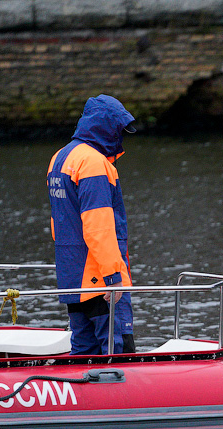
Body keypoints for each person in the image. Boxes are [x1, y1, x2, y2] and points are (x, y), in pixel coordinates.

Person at [47, 94, 137, 355]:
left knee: (83, 351)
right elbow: (99, 226)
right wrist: (113, 277)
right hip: (100, 280)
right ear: (108, 127)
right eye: (119, 129)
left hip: (72, 278)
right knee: (117, 350)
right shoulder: (94, 163)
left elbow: (58, 224)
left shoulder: (60, 158)